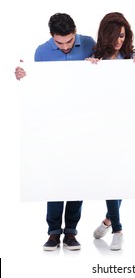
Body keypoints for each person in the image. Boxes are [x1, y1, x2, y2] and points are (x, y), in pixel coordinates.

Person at [15, 13, 96, 251]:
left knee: (77, 179)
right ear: (52, 37)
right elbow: (39, 87)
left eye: (69, 42)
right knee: (55, 179)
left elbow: (109, 67)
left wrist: (97, 64)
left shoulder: (90, 43)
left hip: (84, 122)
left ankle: (70, 231)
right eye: (59, 43)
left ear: (75, 34)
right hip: (54, 123)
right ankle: (53, 232)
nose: (64, 47)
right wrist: (23, 76)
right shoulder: (41, 52)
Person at [87, 12, 135, 251]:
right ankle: (118, 230)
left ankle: (109, 220)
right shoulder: (96, 58)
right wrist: (89, 67)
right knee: (110, 178)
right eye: (115, 36)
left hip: (129, 125)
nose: (119, 41)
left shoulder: (131, 57)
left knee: (123, 179)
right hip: (103, 126)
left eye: (122, 35)